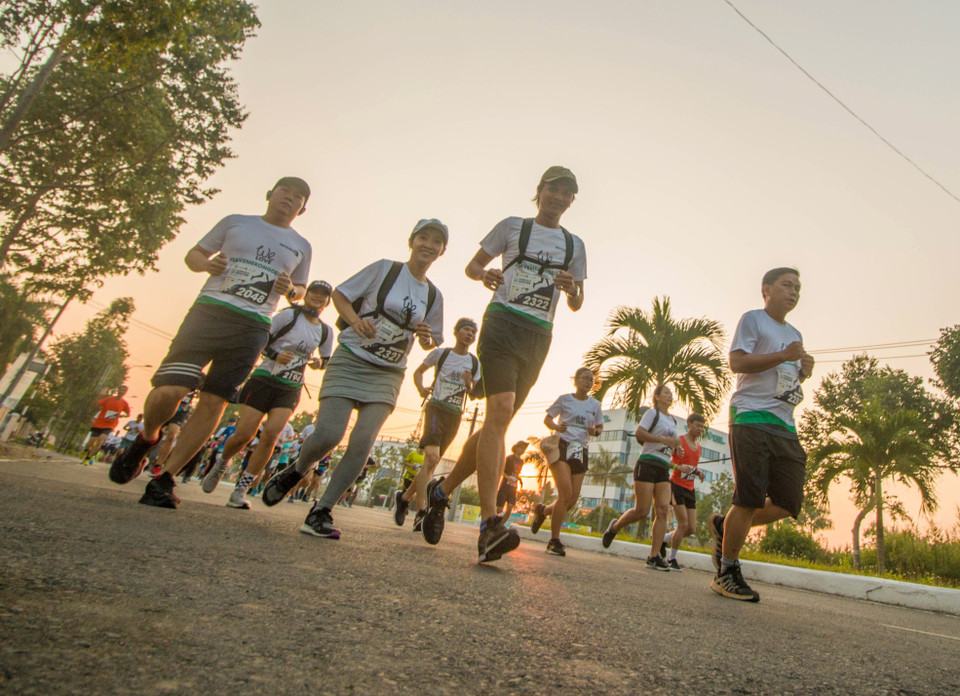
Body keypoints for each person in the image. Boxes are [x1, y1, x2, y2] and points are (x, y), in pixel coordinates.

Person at [108, 177, 313, 510]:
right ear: (270, 194)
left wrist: (290, 289)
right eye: (284, 192)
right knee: (169, 392)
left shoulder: (301, 246)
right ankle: (148, 436)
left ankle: (165, 478)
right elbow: (194, 255)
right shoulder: (236, 223)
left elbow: (301, 290)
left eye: (298, 197)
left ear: (302, 208)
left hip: (253, 326)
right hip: (209, 313)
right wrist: (206, 264)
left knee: (214, 402)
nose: (289, 199)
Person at [420, 166, 587, 563]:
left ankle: (440, 493)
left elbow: (578, 302)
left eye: (568, 194)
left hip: (538, 335)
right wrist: (486, 275)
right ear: (540, 191)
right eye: (554, 189)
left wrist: (571, 288)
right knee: (498, 411)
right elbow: (473, 267)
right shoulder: (513, 227)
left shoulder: (575, 245)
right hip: (501, 324)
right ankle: (490, 525)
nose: (560, 198)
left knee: (499, 422)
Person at [261, 219, 447, 539]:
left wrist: (427, 337)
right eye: (424, 237)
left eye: (437, 242)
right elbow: (341, 295)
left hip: (388, 372)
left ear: (442, 252)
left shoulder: (433, 296)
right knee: (328, 435)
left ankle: (322, 510)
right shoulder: (384, 269)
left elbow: (432, 342)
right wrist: (355, 322)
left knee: (362, 441)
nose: (429, 245)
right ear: (412, 240)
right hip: (352, 359)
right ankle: (297, 469)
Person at [709, 267, 813, 602]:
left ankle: (726, 526)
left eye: (797, 287)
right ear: (766, 289)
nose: (794, 291)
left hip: (785, 424)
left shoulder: (795, 331)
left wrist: (803, 372)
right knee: (750, 496)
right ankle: (727, 571)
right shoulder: (753, 319)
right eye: (787, 285)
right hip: (750, 416)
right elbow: (737, 363)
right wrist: (784, 355)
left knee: (788, 501)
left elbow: (786, 381)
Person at [201, 280, 334, 509]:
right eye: (314, 292)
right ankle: (222, 463)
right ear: (306, 294)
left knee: (272, 434)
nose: (317, 297)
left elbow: (326, 360)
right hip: (264, 378)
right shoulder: (288, 316)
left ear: (328, 302)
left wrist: (317, 363)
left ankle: (241, 489)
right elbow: (260, 338)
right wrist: (275, 355)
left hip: (290, 387)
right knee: (244, 434)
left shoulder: (325, 331)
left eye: (323, 296)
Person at [395, 318, 481, 530]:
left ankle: (404, 498)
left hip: (455, 414)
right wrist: (421, 388)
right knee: (431, 458)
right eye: (466, 330)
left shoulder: (474, 363)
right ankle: (422, 511)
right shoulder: (441, 354)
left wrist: (469, 384)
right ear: (456, 332)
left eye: (473, 332)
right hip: (436, 408)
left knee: (431, 464)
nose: (469, 334)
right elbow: (418, 372)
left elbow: (475, 394)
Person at [601, 385, 681, 571]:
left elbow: (671, 444)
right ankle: (614, 527)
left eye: (671, 394)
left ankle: (653, 556)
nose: (670, 396)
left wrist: (676, 447)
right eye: (666, 393)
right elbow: (639, 434)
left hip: (663, 467)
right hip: (647, 463)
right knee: (642, 511)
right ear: (657, 396)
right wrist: (664, 441)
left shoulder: (672, 421)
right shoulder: (652, 414)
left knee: (662, 510)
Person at [530, 367, 603, 556]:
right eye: (585, 378)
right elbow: (548, 419)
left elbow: (599, 427)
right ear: (576, 380)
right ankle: (554, 541)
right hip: (562, 446)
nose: (588, 382)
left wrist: (594, 431)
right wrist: (556, 426)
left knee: (570, 500)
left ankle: (543, 511)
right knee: (565, 494)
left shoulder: (595, 405)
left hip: (581, 450)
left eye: (591, 380)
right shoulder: (565, 399)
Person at [659, 413, 706, 571]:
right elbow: (667, 460)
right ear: (689, 424)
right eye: (697, 425)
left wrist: (698, 473)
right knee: (683, 524)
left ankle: (664, 539)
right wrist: (679, 467)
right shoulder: (679, 441)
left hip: (690, 488)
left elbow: (692, 466)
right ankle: (672, 558)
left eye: (702, 427)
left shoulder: (698, 446)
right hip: (676, 485)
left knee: (691, 528)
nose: (699, 429)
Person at [81, 386, 130, 465]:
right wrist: (100, 395)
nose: (122, 391)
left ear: (125, 392)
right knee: (90, 442)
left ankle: (88, 458)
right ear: (118, 390)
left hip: (110, 425)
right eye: (121, 389)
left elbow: (128, 414)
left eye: (124, 390)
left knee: (100, 441)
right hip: (99, 423)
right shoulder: (108, 399)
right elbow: (95, 404)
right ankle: (86, 450)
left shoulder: (124, 403)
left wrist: (121, 416)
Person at [496, 441, 529, 523]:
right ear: (516, 448)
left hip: (513, 488)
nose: (522, 450)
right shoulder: (509, 458)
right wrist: (507, 477)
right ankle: (488, 516)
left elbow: (516, 473)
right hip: (504, 486)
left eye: (524, 449)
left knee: (510, 507)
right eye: (521, 448)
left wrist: (519, 479)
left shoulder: (521, 461)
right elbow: (501, 470)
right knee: (499, 509)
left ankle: (501, 525)